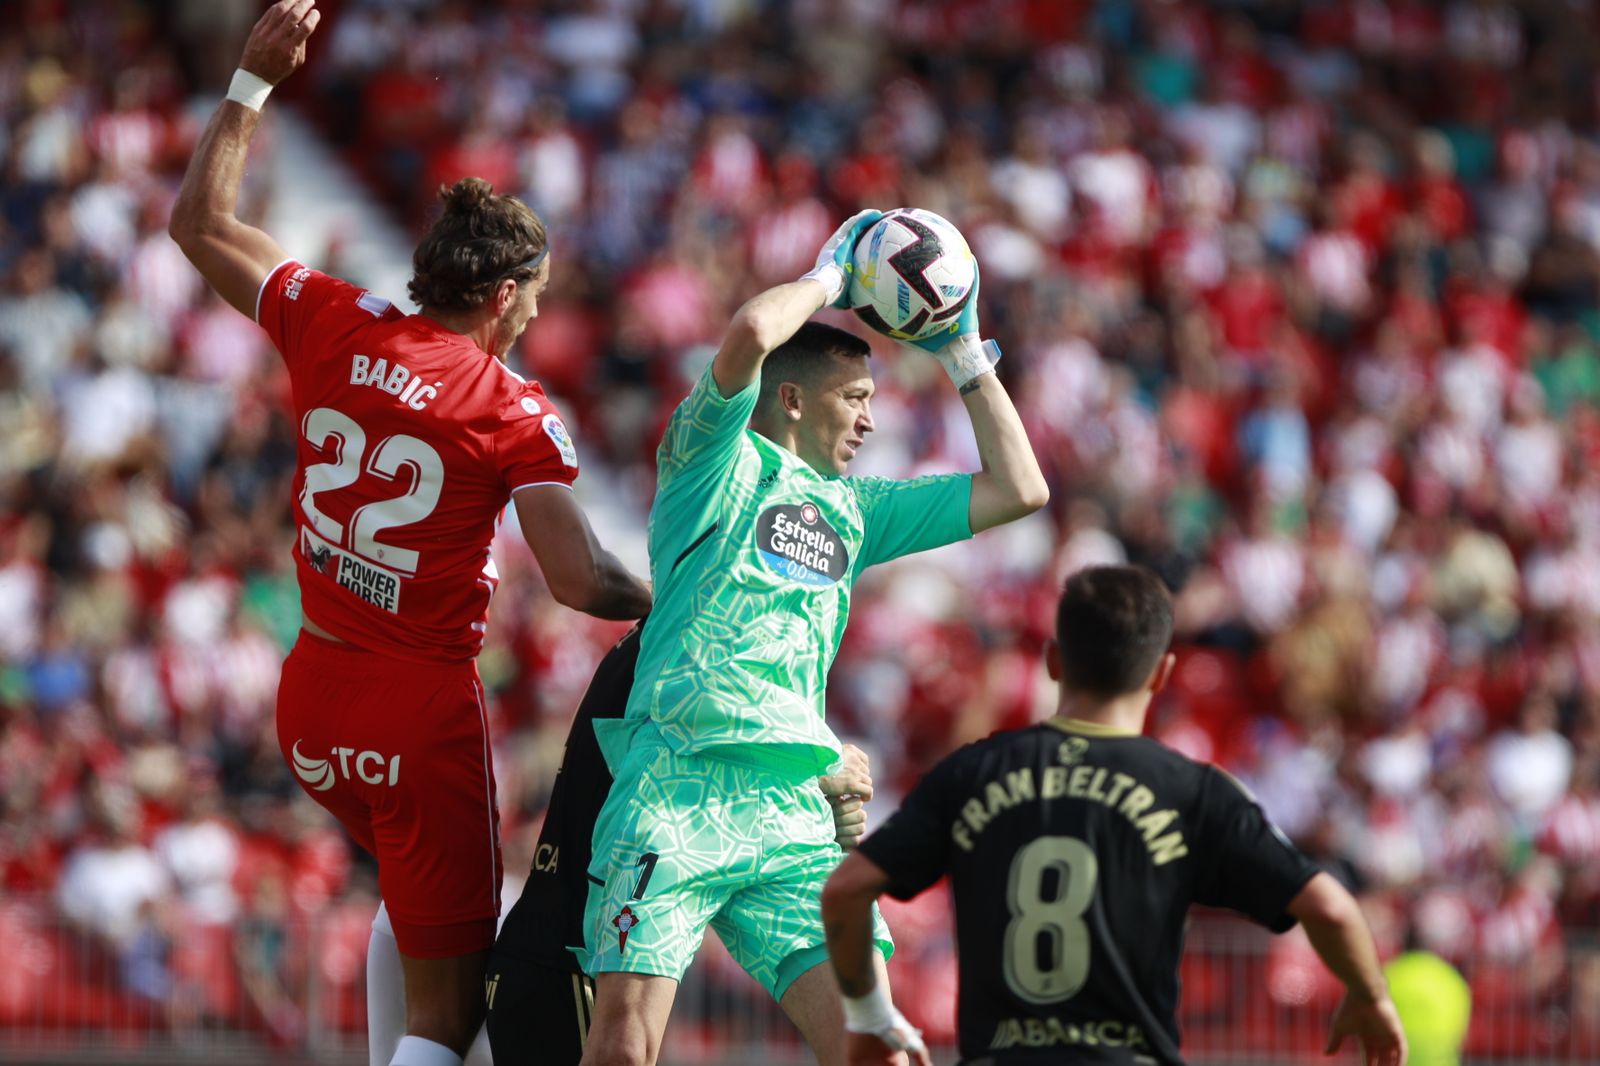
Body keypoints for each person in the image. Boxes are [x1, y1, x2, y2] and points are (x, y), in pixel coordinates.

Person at [166, 5, 652, 1066]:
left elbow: (198, 227)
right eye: (534, 299)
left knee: (417, 911)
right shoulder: (507, 405)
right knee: (450, 1015)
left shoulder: (332, 318)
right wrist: (661, 603)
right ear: (508, 292)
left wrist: (250, 86)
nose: (532, 318)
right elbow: (577, 580)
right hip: (416, 712)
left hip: (314, 694)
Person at [574, 208, 1050, 1066]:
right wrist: (834, 273)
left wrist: (963, 346)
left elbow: (1021, 487)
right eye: (855, 399)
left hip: (794, 810)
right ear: (790, 400)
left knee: (885, 1051)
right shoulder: (708, 464)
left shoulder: (858, 512)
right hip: (677, 788)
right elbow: (755, 329)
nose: (870, 421)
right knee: (621, 1048)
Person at [822, 565, 1409, 1066]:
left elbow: (845, 891)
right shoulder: (1193, 791)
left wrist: (869, 1019)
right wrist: (1370, 995)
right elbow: (1330, 906)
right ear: (1162, 673)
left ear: (1054, 662)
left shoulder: (972, 772)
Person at [484, 622, 876, 1064]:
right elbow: (720, 788)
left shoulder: (664, 647)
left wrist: (812, 796)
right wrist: (815, 770)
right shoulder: (686, 654)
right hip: (568, 971)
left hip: (559, 960)